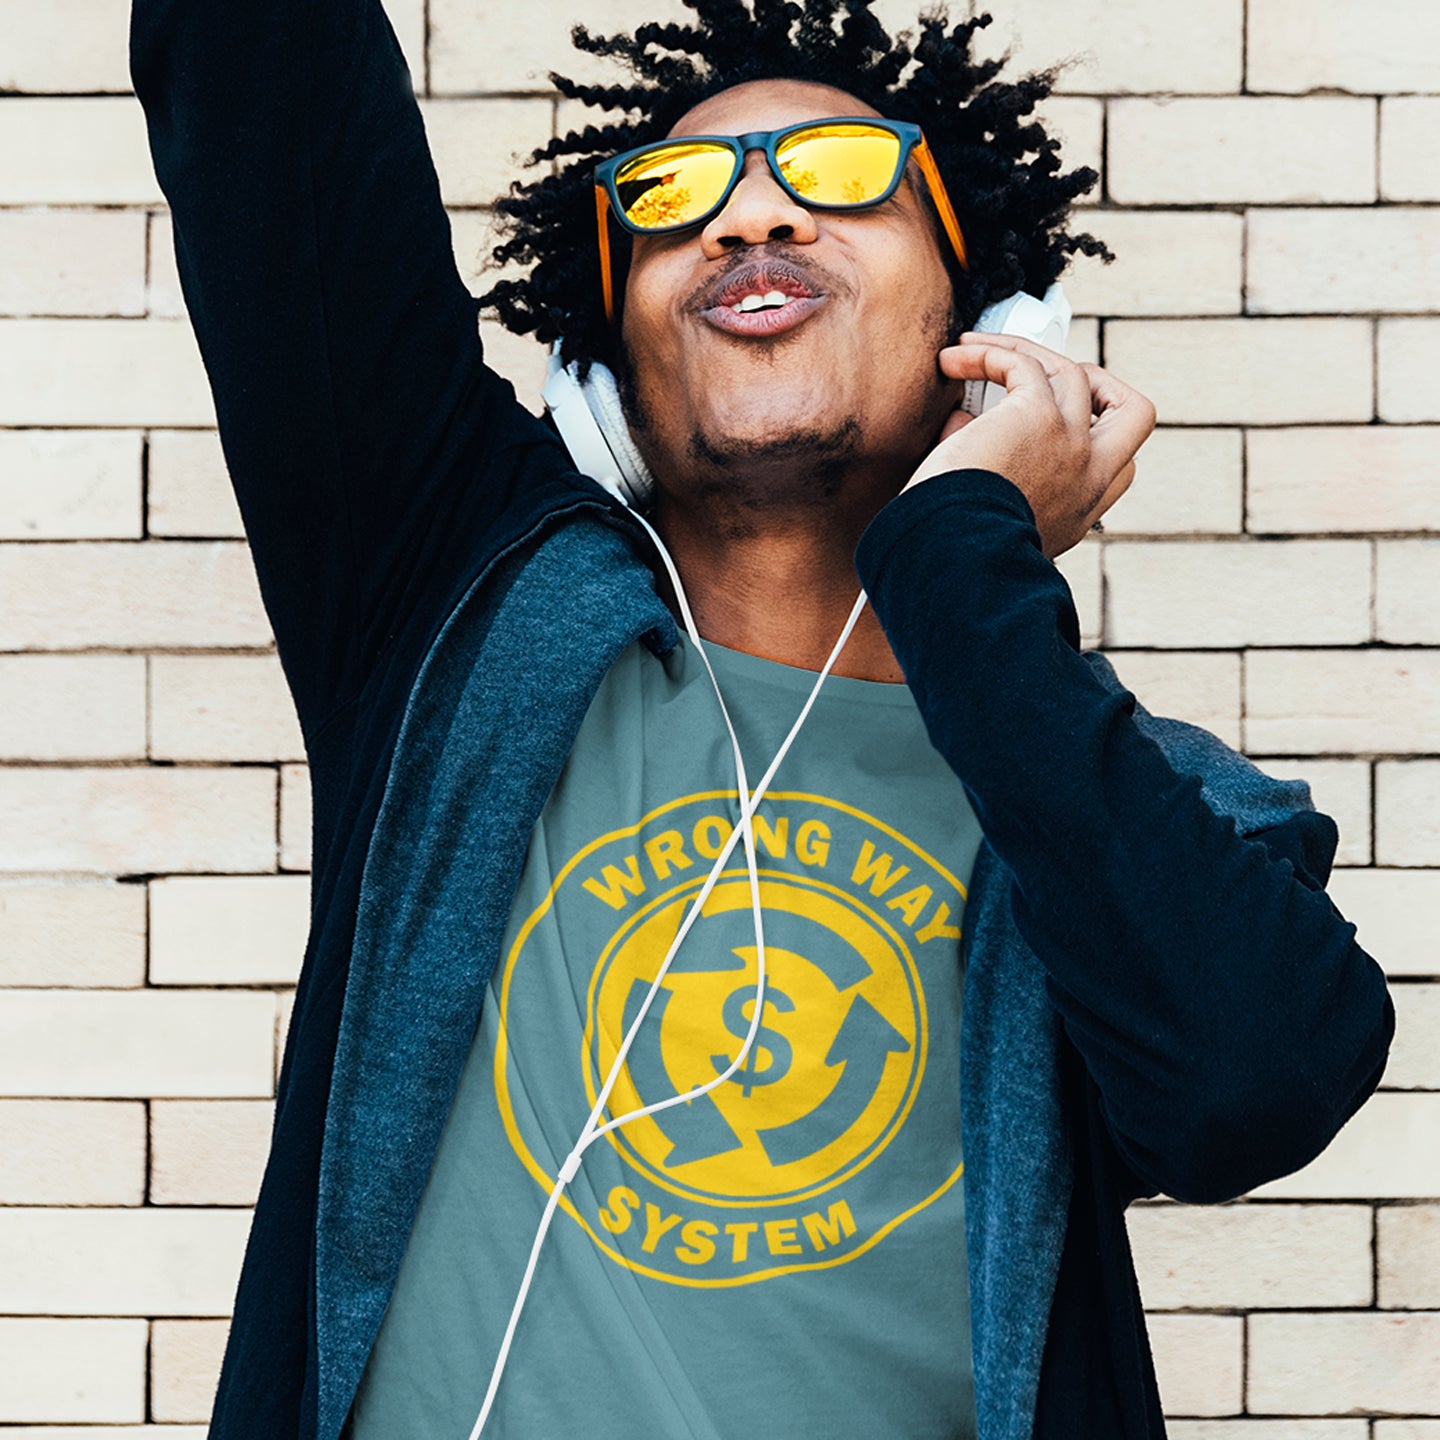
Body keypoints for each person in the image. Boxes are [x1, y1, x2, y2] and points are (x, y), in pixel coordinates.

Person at [130, 0, 1394, 1436]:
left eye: (841, 175)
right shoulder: (449, 610)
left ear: (990, 329)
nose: (749, 221)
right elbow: (262, 73)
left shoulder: (1141, 806)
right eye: (675, 199)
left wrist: (964, 559)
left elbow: (1251, 1090)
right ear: (600, 358)